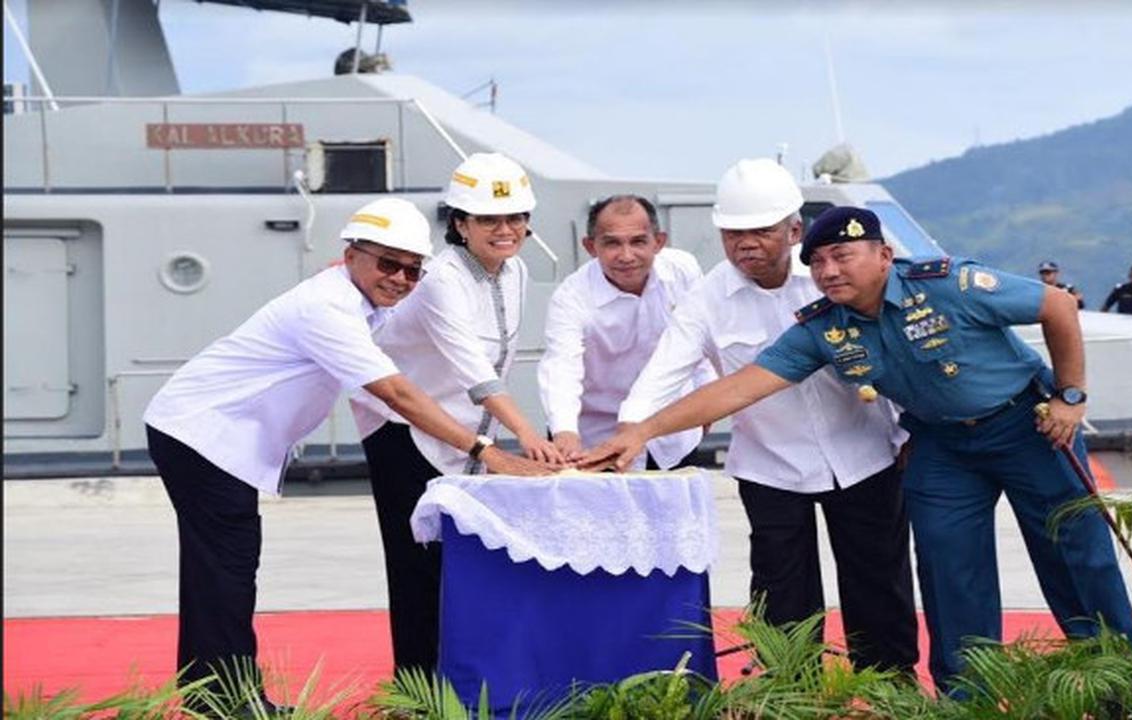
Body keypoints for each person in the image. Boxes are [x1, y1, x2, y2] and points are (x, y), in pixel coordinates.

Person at [585, 206, 1132, 691]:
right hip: (942, 446)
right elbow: (738, 387)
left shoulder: (950, 285)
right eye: (818, 261)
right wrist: (643, 430)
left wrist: (1070, 397)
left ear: (883, 254)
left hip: (1029, 427)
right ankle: (966, 699)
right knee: (950, 576)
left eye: (842, 256)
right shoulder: (823, 330)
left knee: (1075, 557)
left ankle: (1115, 687)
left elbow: (1058, 306)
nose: (828, 271)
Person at [143, 198, 545, 712]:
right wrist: (488, 451)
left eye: (412, 270)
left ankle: (217, 696)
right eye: (387, 263)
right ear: (352, 254)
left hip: (216, 437)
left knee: (223, 568)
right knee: (226, 568)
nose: (400, 278)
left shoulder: (356, 297)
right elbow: (397, 394)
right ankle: (225, 701)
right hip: (202, 435)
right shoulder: (327, 309)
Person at [614, 160, 918, 676]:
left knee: (878, 584)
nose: (745, 243)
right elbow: (664, 369)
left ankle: (893, 690)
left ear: (794, 230)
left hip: (864, 454)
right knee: (782, 596)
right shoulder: (708, 298)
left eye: (760, 230)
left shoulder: (831, 275)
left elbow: (898, 344)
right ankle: (789, 696)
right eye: (733, 232)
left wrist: (910, 429)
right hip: (769, 467)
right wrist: (630, 430)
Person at [348, 153, 563, 679]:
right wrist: (530, 436)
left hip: (468, 431)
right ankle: (418, 686)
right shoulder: (440, 277)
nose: (505, 229)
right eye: (488, 219)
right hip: (403, 429)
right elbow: (476, 371)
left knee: (466, 560)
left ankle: (466, 676)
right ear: (460, 225)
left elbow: (503, 358)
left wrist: (501, 435)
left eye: (515, 218)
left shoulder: (518, 270)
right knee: (415, 563)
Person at [537, 194, 710, 469]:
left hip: (672, 436)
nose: (626, 256)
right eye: (612, 243)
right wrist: (565, 432)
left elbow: (701, 341)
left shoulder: (683, 271)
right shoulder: (571, 297)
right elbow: (561, 367)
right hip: (596, 441)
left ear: (659, 242)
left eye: (638, 241)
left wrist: (705, 410)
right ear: (590, 246)